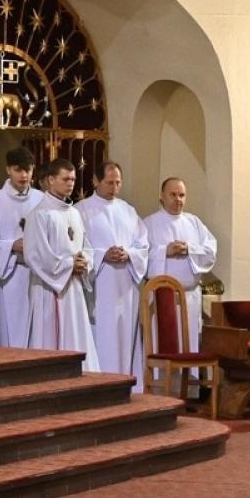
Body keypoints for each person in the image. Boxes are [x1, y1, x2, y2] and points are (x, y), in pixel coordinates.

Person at [76, 161, 147, 387]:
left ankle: (126, 383)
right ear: (95, 181)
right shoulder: (81, 211)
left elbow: (142, 245)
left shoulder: (128, 211)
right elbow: (76, 247)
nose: (114, 188)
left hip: (126, 285)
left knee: (125, 337)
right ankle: (99, 385)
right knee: (102, 335)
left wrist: (129, 254)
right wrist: (101, 255)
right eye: (109, 182)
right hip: (99, 284)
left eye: (118, 183)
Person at [23, 159, 99, 371]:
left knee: (76, 336)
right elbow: (35, 255)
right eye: (65, 179)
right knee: (52, 338)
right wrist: (68, 265)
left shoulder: (74, 213)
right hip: (50, 289)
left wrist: (85, 261)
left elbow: (86, 246)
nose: (71, 184)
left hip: (73, 288)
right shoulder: (39, 214)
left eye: (73, 179)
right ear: (50, 180)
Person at [0, 147, 42, 348]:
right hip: (6, 277)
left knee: (36, 335)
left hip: (36, 276)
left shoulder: (41, 200)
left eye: (28, 170)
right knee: (6, 336)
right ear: (8, 170)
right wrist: (12, 245)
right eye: (18, 170)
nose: (24, 175)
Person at [143, 177, 218, 353]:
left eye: (182, 195)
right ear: (162, 196)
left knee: (189, 345)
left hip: (190, 297)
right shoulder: (149, 223)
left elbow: (210, 251)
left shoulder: (194, 222)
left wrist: (189, 249)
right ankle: (160, 372)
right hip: (160, 298)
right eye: (173, 194)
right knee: (162, 346)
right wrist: (165, 251)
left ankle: (188, 372)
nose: (178, 199)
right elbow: (141, 257)